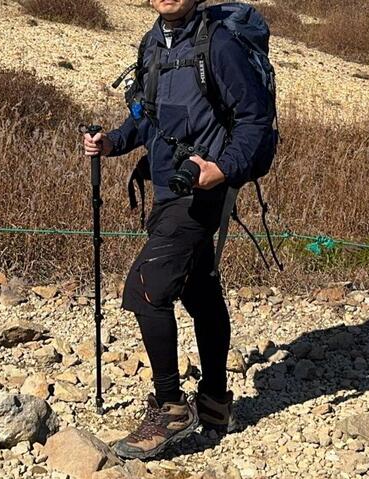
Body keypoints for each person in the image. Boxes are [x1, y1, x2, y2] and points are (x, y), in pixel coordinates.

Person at [83, 0, 272, 460]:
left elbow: (254, 120)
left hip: (202, 190)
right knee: (199, 291)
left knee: (146, 287)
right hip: (170, 185)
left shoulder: (219, 44)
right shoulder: (153, 43)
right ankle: (214, 401)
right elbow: (145, 115)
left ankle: (170, 407)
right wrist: (112, 142)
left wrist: (221, 169)